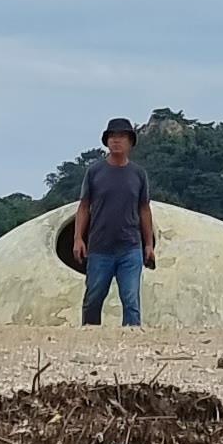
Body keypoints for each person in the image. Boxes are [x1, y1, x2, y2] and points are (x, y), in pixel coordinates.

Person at [73, 115, 157, 328]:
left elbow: (144, 209)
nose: (116, 140)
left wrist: (148, 244)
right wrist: (78, 239)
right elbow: (84, 206)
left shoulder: (138, 174)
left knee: (131, 300)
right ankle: (90, 336)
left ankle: (132, 339)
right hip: (100, 246)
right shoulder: (95, 172)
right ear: (107, 141)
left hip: (130, 246)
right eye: (112, 136)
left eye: (121, 136)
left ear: (130, 142)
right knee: (93, 299)